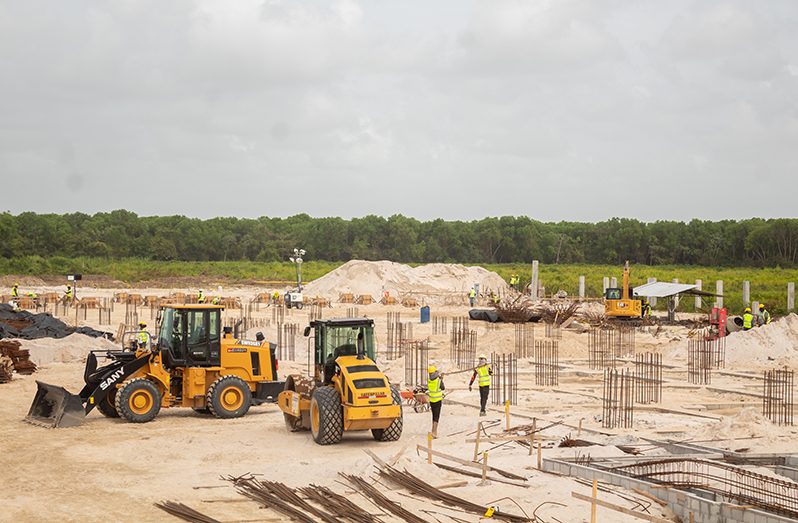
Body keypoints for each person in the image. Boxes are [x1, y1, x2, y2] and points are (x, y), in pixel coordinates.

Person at [427, 365, 445, 438]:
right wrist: (441, 379)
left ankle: (433, 430)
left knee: (433, 416)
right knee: (436, 417)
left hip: (431, 401)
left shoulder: (429, 381)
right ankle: (434, 432)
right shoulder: (438, 381)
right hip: (437, 401)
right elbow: (443, 387)